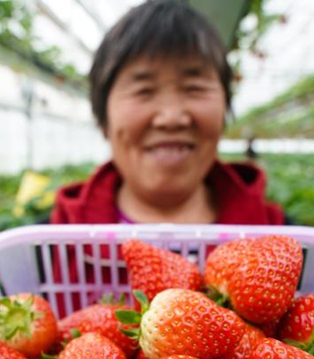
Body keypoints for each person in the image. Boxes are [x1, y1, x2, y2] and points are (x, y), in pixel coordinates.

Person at [49, 0, 285, 226]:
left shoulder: (286, 245)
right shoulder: (48, 249)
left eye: (195, 88)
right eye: (144, 91)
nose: (171, 118)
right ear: (103, 117)